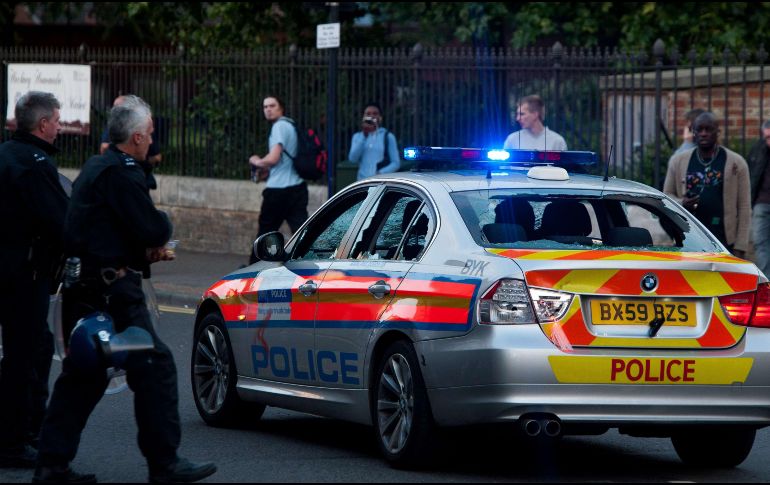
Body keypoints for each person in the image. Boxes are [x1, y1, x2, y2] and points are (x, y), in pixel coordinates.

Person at [33, 95, 217, 483]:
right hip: (112, 295)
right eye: (149, 134)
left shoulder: (98, 167)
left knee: (84, 375)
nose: (152, 140)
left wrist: (144, 253)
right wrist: (158, 229)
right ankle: (164, 464)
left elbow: (102, 230)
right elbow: (151, 226)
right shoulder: (121, 172)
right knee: (156, 366)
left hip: (87, 290)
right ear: (135, 137)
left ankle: (51, 464)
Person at [0, 91, 68, 468]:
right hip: (24, 275)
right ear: (42, 125)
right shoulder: (36, 163)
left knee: (34, 349)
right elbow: (61, 221)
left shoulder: (6, 156)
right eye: (57, 121)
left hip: (9, 270)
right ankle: (15, 441)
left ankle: (23, 430)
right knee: (24, 357)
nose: (60, 127)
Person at [663, 111, 751, 258]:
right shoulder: (678, 161)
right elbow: (666, 197)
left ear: (718, 132)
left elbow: (744, 207)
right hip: (688, 239)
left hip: (724, 240)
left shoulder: (736, 162)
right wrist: (682, 203)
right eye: (699, 129)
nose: (703, 134)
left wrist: (740, 246)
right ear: (693, 132)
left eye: (708, 129)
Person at [248, 95, 308, 264]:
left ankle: (251, 273)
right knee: (302, 233)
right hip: (297, 187)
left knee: (265, 234)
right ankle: (309, 265)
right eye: (265, 106)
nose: (268, 109)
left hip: (278, 192)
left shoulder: (279, 126)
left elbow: (273, 158)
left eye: (272, 105)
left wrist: (256, 161)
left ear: (281, 108)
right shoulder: (291, 125)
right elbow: (282, 162)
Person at [99, 95, 162, 189]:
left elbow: (157, 157)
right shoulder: (128, 175)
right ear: (137, 137)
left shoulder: (95, 165)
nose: (150, 141)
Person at [347, 102, 400, 180]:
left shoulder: (388, 136)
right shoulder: (357, 136)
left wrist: (380, 173)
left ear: (380, 117)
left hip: (381, 181)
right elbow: (352, 159)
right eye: (368, 114)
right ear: (363, 117)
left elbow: (396, 163)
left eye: (375, 114)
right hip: (362, 182)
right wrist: (364, 136)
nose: (371, 116)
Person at [503, 94, 568, 151]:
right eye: (517, 114)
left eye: (522, 114)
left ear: (535, 114)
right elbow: (504, 165)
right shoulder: (512, 139)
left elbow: (563, 165)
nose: (518, 119)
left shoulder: (557, 141)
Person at [747, 120, 770, 276]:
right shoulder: (758, 150)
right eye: (767, 138)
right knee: (760, 243)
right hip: (761, 203)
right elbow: (751, 176)